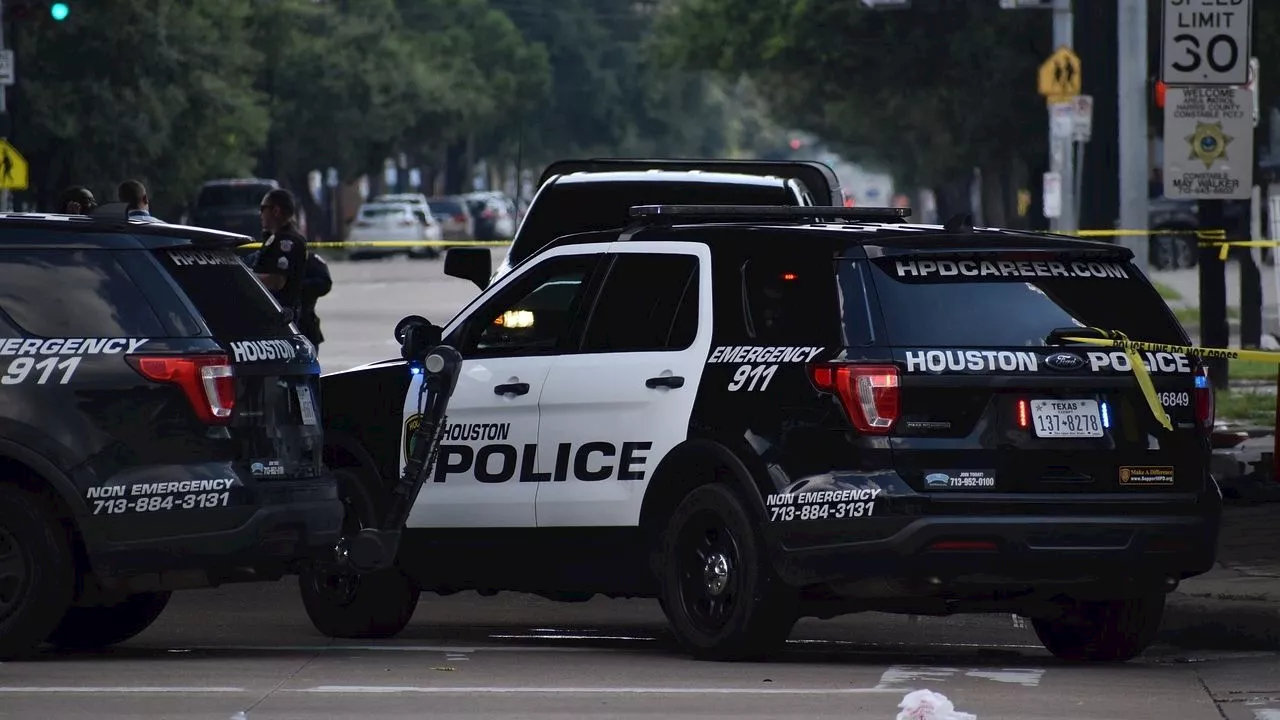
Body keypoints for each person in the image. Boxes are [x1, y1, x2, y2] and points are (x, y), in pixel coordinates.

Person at [255, 188, 308, 318]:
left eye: (263, 208)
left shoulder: (286, 241)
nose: (260, 213)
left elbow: (277, 281)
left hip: (280, 314)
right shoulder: (275, 238)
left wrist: (247, 278)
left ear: (276, 211)